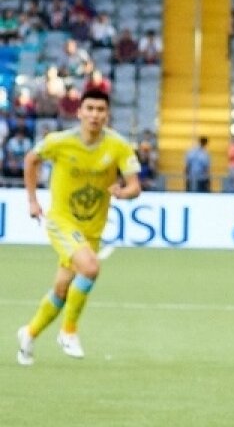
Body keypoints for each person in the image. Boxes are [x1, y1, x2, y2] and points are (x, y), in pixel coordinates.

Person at [15, 90, 141, 365]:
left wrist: (123, 192)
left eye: (100, 110)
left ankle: (29, 333)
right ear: (79, 112)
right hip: (61, 220)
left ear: (107, 115)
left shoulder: (118, 146)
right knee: (91, 267)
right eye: (90, 108)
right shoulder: (59, 142)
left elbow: (135, 186)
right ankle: (68, 332)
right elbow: (31, 159)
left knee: (62, 288)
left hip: (91, 229)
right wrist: (33, 201)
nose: (95, 114)